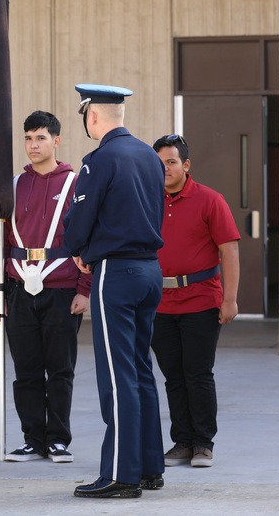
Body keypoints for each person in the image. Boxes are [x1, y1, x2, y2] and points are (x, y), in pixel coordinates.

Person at [62, 84, 166, 499]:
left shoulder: (99, 159)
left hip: (116, 273)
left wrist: (79, 250)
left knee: (116, 373)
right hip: (149, 270)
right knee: (140, 369)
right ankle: (147, 467)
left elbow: (80, 216)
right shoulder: (148, 156)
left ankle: (121, 474)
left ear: (92, 116)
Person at [0, 110, 91, 463]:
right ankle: (32, 439)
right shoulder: (13, 185)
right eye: (29, 138)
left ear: (56, 141)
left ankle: (58, 439)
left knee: (60, 368)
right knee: (26, 370)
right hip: (18, 289)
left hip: (62, 289)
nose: (33, 145)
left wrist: (84, 288)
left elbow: (87, 238)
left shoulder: (75, 183)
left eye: (41, 138)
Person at [151, 134, 240, 469]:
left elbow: (229, 251)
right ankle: (182, 441)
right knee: (172, 374)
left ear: (186, 165)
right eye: (159, 164)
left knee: (197, 373)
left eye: (171, 162)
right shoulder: (148, 201)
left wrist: (229, 300)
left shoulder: (210, 200)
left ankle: (203, 443)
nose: (165, 169)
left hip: (202, 301)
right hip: (159, 303)